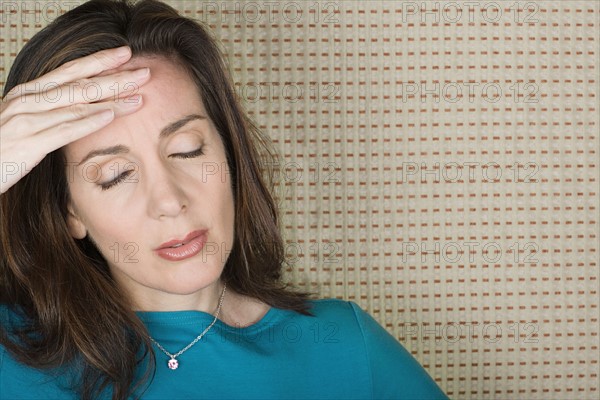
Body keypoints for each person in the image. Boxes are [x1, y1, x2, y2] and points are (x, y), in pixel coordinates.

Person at [0, 0, 449, 399]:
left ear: (229, 152)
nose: (170, 200)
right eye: (115, 175)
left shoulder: (343, 346)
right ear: (69, 212)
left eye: (188, 150)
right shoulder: (10, 357)